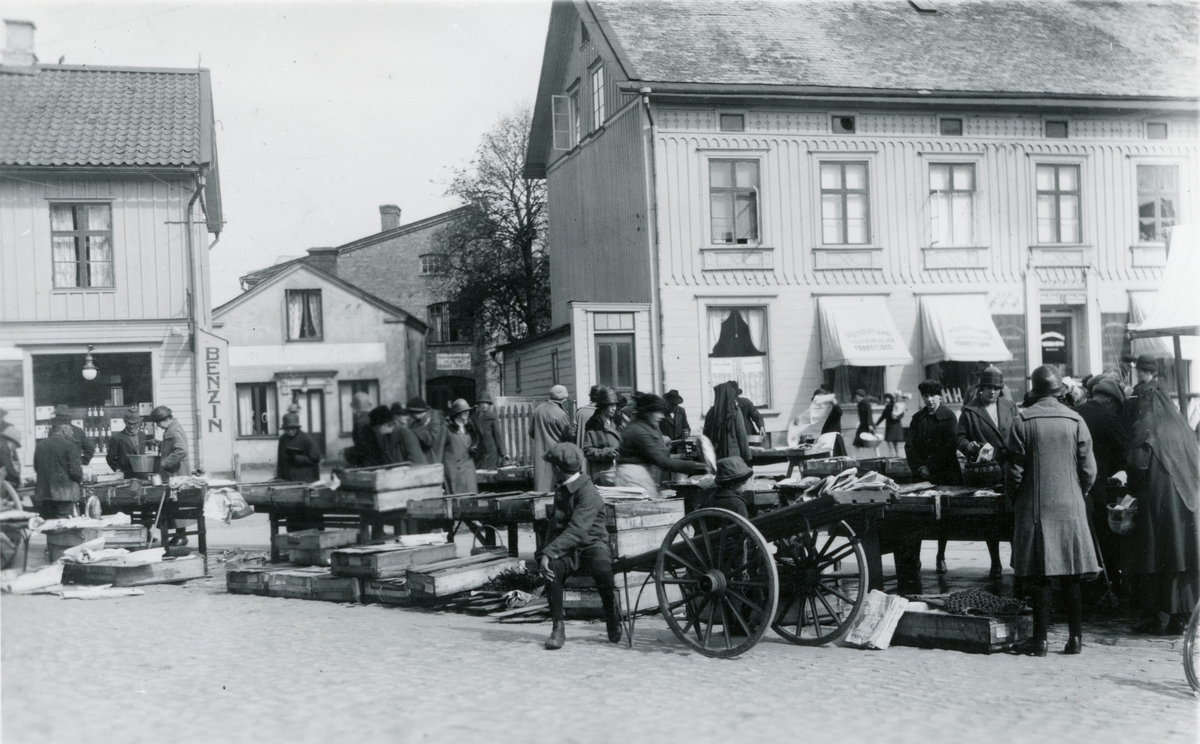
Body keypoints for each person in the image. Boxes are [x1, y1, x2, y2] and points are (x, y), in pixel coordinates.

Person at [1005, 365, 1098, 656]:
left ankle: (1040, 640)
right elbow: (1089, 470)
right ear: (1060, 392)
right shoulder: (1076, 420)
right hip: (1071, 505)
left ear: (1034, 391)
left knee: (1040, 573)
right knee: (1071, 571)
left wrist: (1017, 499)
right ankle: (1076, 638)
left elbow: (1014, 473)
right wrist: (1077, 494)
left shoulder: (1021, 421)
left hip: (1035, 507)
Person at [1123, 355, 1200, 635]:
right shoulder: (1180, 425)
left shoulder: (1146, 422)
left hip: (1157, 502)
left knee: (1151, 556)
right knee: (1179, 556)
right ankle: (1180, 618)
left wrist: (1128, 483)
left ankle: (1152, 617)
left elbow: (1137, 463)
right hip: (1185, 502)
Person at [537, 442, 621, 650]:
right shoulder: (562, 489)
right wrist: (545, 555)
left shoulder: (587, 492)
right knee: (552, 571)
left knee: (603, 569)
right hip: (569, 549)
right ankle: (558, 627)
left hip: (592, 545)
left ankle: (612, 616)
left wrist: (550, 552)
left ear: (558, 468)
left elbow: (577, 530)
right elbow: (555, 526)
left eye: (551, 466)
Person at [953, 366, 1016, 580]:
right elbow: (959, 437)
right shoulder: (970, 410)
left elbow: (1018, 432)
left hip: (1010, 470)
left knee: (1013, 517)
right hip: (986, 472)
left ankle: (1016, 560)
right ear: (981, 389)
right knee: (991, 520)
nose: (993, 392)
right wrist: (968, 446)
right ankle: (995, 562)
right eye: (989, 388)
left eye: (997, 388)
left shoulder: (1009, 406)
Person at [1073, 377, 1129, 593]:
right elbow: (1126, 452)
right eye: (1116, 405)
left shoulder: (1075, 411)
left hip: (1073, 488)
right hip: (1095, 491)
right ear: (1107, 399)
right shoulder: (1108, 417)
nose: (1116, 410)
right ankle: (1107, 581)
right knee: (1104, 536)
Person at [617, 393, 708, 494]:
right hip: (632, 477)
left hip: (643, 474)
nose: (661, 416)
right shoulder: (638, 430)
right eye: (658, 413)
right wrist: (699, 466)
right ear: (648, 413)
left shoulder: (650, 427)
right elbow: (662, 461)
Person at [148, 405, 190, 545]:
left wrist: (165, 463)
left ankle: (182, 536)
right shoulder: (171, 428)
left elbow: (181, 450)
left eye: (158, 423)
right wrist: (160, 444)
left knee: (177, 503)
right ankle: (180, 535)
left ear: (164, 419)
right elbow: (172, 446)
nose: (158, 426)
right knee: (174, 504)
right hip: (175, 472)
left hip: (177, 472)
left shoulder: (174, 430)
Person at [530, 385, 576, 492]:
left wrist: (542, 439)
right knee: (555, 486)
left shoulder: (538, 410)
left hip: (541, 454)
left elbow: (531, 432)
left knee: (541, 487)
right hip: (557, 455)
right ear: (563, 399)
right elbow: (570, 435)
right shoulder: (560, 413)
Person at [33, 423, 84, 519]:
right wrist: (80, 479)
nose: (72, 433)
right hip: (65, 494)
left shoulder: (39, 445)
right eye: (71, 430)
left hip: (45, 493)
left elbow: (37, 467)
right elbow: (75, 472)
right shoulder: (69, 446)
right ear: (64, 429)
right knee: (65, 525)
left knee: (49, 524)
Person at [582, 387, 621, 486]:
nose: (614, 408)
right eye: (611, 405)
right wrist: (607, 452)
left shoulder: (617, 422)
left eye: (615, 405)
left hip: (618, 471)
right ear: (603, 406)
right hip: (603, 473)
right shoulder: (593, 425)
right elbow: (587, 450)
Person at [704, 381, 750, 461]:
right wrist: (746, 456)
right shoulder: (735, 411)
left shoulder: (711, 412)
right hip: (733, 455)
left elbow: (706, 436)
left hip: (716, 454)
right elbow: (742, 435)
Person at [443, 399, 478, 495]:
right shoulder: (447, 429)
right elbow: (441, 451)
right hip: (456, 473)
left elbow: (477, 443)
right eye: (463, 411)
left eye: (468, 410)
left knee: (473, 502)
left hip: (469, 471)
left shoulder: (470, 427)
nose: (467, 412)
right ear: (456, 413)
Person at [276, 412, 321, 482]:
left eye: (293, 429)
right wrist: (279, 476)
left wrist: (297, 458)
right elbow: (280, 461)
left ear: (297, 427)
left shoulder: (306, 438)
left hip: (305, 478)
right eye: (287, 429)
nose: (290, 432)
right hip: (287, 478)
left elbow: (315, 458)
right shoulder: (283, 439)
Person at [105, 408, 146, 479]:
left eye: (135, 423)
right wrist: (118, 470)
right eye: (129, 423)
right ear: (125, 422)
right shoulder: (117, 438)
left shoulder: (142, 435)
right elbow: (110, 458)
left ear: (139, 423)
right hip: (126, 476)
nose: (132, 426)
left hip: (142, 475)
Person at [407, 397, 447, 465]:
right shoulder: (414, 424)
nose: (410, 416)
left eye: (411, 413)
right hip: (418, 462)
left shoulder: (434, 423)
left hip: (430, 462)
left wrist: (421, 428)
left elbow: (429, 441)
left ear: (417, 412)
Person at [471, 394, 506, 470]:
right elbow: (472, 435)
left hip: (491, 451)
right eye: (481, 403)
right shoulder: (473, 418)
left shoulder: (492, 417)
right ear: (478, 405)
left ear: (488, 405)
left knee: (487, 474)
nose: (483, 405)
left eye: (485, 403)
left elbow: (498, 435)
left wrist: (503, 453)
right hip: (479, 451)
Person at [875, 391, 907, 458]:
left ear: (890, 398)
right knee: (889, 440)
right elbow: (883, 416)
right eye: (885, 398)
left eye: (887, 398)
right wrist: (876, 424)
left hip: (895, 425)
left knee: (895, 441)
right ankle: (892, 454)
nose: (885, 399)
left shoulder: (895, 405)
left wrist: (897, 417)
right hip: (889, 426)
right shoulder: (887, 407)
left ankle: (897, 454)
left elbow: (901, 413)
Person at [2, 424, 23, 491]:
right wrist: (18, 481)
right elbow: (9, 467)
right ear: (11, 441)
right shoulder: (3, 449)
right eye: (15, 446)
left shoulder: (3, 446)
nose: (15, 448)